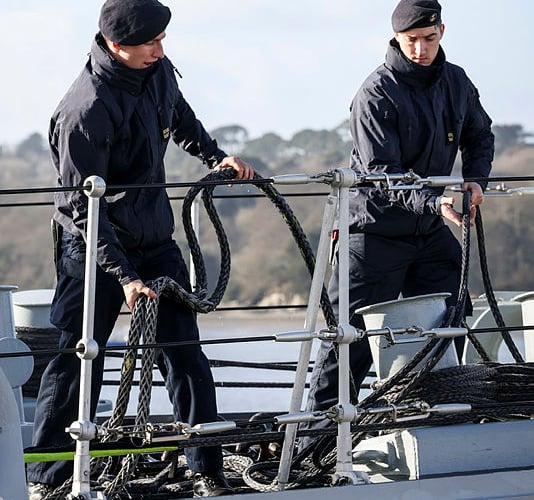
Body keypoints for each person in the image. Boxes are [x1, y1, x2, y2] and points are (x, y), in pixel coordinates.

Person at [26, 0, 255, 498]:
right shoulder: (83, 110)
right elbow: (86, 211)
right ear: (115, 46)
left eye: (162, 39)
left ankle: (205, 469)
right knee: (77, 358)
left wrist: (217, 156)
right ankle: (48, 478)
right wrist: (125, 277)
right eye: (150, 42)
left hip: (154, 239)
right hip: (91, 248)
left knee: (183, 353)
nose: (160, 49)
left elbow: (181, 117)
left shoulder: (157, 69)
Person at [302, 0, 494, 440]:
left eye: (429, 39)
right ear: (396, 38)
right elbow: (380, 172)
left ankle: (435, 420)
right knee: (347, 345)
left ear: (442, 32)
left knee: (450, 319)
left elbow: (480, 135)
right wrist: (435, 202)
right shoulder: (375, 91)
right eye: (411, 41)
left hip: (428, 232)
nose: (421, 49)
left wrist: (475, 181)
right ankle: (315, 441)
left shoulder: (457, 82)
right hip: (372, 234)